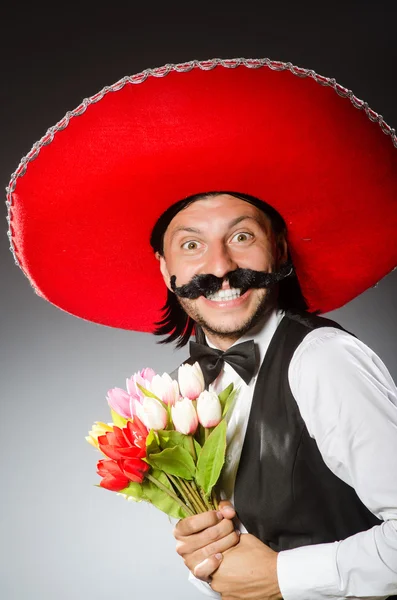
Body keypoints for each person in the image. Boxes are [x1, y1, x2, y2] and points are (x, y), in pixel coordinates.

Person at [6, 58, 397, 599]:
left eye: (241, 236)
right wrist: (203, 558)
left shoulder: (323, 361)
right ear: (167, 271)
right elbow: (232, 570)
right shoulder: (185, 389)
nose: (218, 267)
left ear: (278, 250)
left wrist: (284, 576)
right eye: (192, 245)